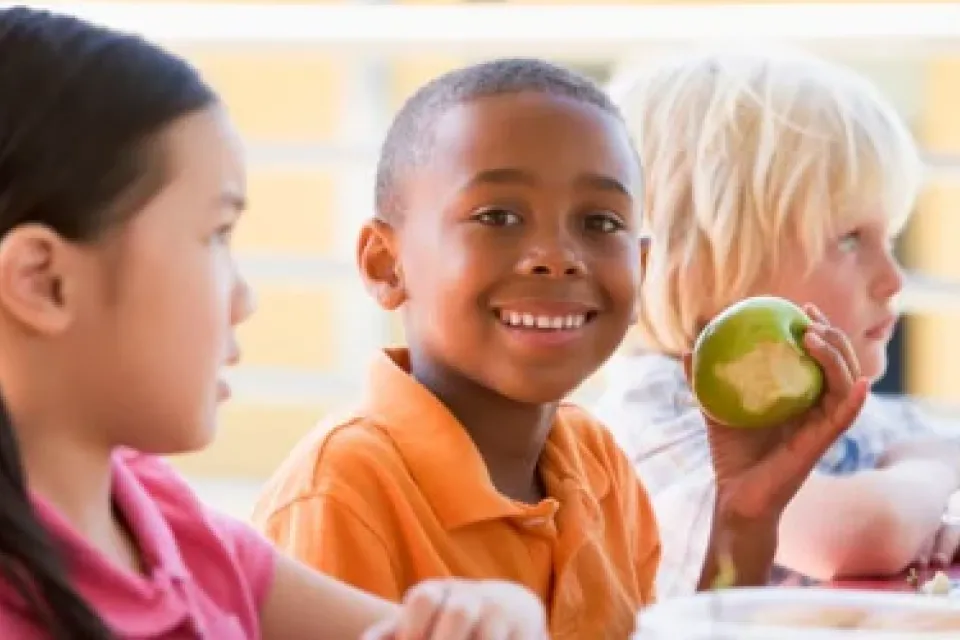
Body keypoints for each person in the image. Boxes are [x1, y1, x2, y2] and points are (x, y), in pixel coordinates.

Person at [252, 57, 868, 638]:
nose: (557, 256)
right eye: (497, 216)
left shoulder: (596, 464)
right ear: (387, 265)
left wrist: (746, 511)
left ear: (642, 266)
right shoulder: (343, 492)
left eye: (600, 222)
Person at [0, 7, 550, 640]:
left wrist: (495, 617)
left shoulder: (158, 516)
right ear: (44, 281)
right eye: (215, 234)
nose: (244, 299)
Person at [592, 47, 960, 597]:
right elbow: (864, 533)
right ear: (711, 264)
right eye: (850, 240)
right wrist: (927, 475)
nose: (893, 279)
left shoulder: (850, 410)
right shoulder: (656, 421)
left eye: (892, 238)